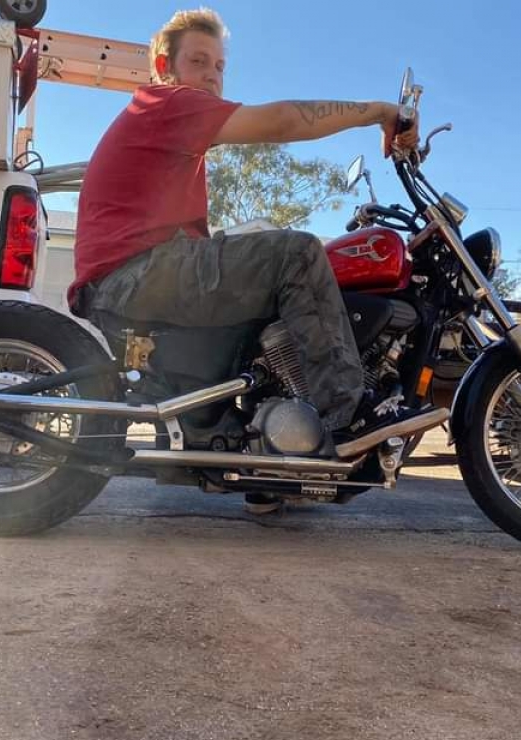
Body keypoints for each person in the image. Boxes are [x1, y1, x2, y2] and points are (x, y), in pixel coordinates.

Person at [69, 9, 423, 509]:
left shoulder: (168, 125)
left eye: (219, 66)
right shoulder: (169, 101)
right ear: (164, 65)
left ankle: (267, 469)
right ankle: (349, 417)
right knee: (297, 254)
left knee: (264, 287)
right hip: (137, 272)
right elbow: (280, 121)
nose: (212, 76)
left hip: (134, 273)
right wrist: (378, 112)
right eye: (198, 61)